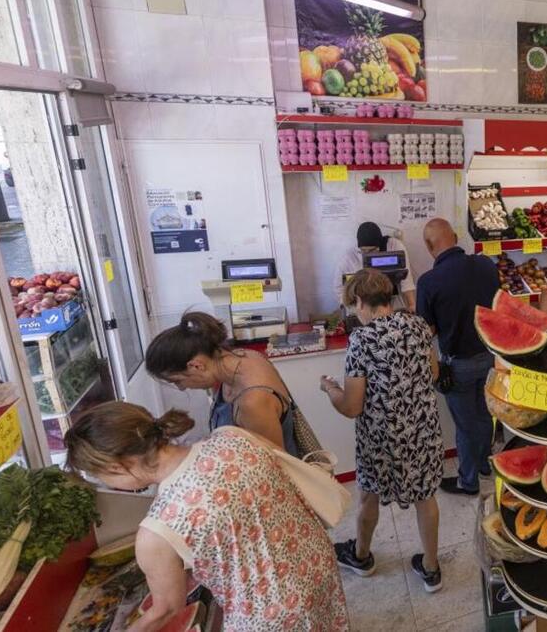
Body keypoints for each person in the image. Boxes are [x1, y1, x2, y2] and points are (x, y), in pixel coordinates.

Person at [64, 402, 349, 632]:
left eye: (98, 476)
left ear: (118, 466)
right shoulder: (232, 436)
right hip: (316, 568)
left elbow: (166, 609)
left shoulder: (156, 531)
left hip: (269, 616)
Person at [320, 269, 444, 593]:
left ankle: (361, 556)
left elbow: (352, 407)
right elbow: (433, 372)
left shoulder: (361, 340)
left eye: (354, 305)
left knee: (369, 498)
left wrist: (329, 389)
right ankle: (431, 568)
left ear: (360, 301)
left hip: (381, 438)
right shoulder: (418, 325)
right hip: (422, 430)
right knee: (426, 497)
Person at [145, 312, 311, 458]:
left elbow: (276, 469)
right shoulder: (241, 359)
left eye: (177, 380)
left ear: (196, 365)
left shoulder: (253, 402)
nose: (182, 388)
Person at [415, 218, 500, 496]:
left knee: (465, 425)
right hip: (490, 356)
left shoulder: (428, 282)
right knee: (485, 414)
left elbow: (426, 331)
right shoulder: (487, 265)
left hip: (458, 364)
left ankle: (468, 481)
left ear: (429, 246)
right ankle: (486, 465)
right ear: (454, 236)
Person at [335, 221, 416, 311]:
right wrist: (353, 309)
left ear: (380, 245)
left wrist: (412, 305)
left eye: (372, 250)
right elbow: (339, 288)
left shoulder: (394, 246)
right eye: (363, 251)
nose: (367, 254)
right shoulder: (350, 258)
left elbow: (407, 281)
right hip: (363, 306)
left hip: (392, 301)